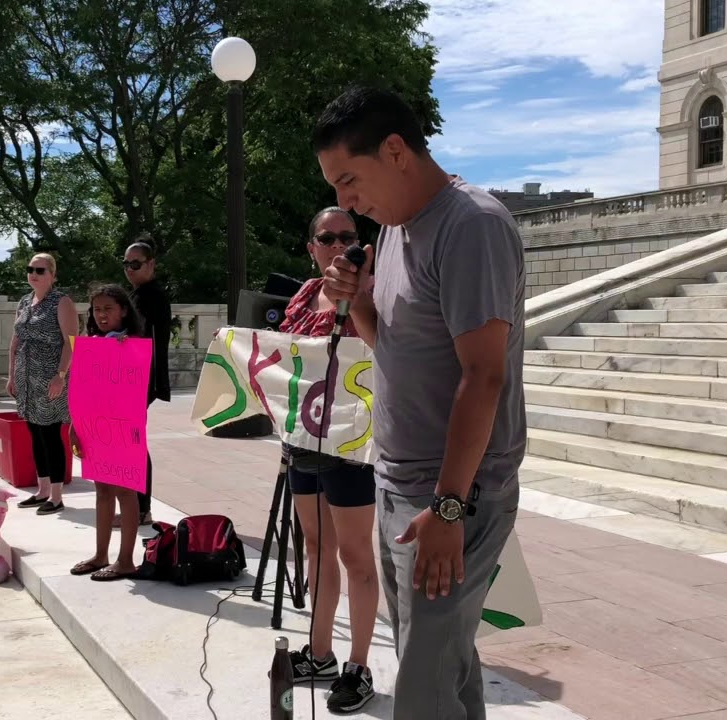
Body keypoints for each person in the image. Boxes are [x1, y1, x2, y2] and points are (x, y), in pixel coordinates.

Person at [314, 86, 526, 720]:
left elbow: (483, 376)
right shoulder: (396, 232)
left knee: (421, 696)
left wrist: (450, 507)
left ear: (396, 150)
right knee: (441, 668)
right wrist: (356, 302)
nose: (345, 202)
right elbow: (394, 350)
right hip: (401, 485)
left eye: (349, 179)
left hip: (454, 494)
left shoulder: (472, 226)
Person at [279, 207, 379, 713]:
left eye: (349, 237)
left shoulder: (372, 293)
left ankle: (359, 666)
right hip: (304, 439)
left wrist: (355, 298)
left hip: (352, 443)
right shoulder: (302, 293)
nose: (340, 247)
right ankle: (320, 651)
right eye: (328, 238)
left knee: (356, 555)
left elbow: (386, 350)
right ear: (312, 246)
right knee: (316, 546)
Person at [70, 283, 147, 581]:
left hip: (122, 427)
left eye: (108, 309)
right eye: (97, 309)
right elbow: (82, 391)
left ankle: (125, 559)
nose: (102, 315)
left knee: (125, 491)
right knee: (102, 490)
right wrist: (76, 425)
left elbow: (136, 390)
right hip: (96, 427)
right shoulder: (92, 344)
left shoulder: (132, 344)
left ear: (123, 311)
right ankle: (101, 554)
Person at [8, 252, 79, 516]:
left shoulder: (61, 302)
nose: (34, 274)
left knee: (50, 434)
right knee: (34, 433)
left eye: (40, 270)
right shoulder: (25, 301)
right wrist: (11, 374)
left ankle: (57, 495)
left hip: (51, 377)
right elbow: (15, 340)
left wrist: (60, 375)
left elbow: (71, 342)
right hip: (26, 377)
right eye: (31, 269)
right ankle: (42, 489)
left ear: (52, 274)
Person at [122, 236, 171, 526]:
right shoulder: (141, 293)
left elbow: (141, 340)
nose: (130, 268)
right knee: (132, 439)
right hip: (141, 376)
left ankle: (141, 508)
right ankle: (138, 507)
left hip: (143, 377)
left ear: (151, 264)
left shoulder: (150, 295)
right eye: (126, 264)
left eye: (136, 263)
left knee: (134, 440)